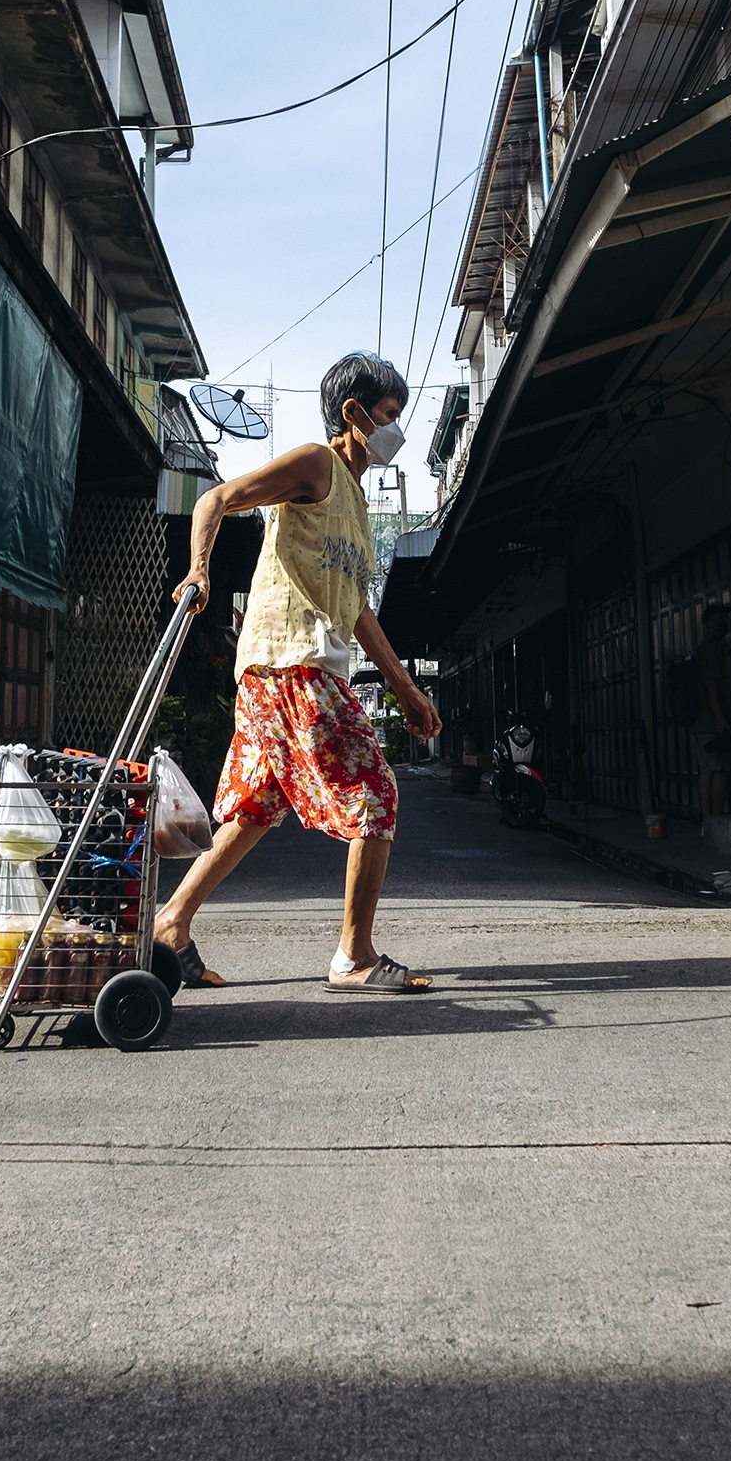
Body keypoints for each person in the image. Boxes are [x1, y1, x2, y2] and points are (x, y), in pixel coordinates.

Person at [155, 351, 442, 992]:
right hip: (291, 661)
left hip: (289, 668)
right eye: (390, 414)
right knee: (375, 794)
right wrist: (199, 569)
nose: (397, 428)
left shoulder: (360, 507)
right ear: (353, 413)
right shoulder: (317, 464)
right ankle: (355, 956)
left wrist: (405, 684)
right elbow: (218, 498)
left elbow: (357, 608)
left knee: (253, 808)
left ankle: (171, 923)